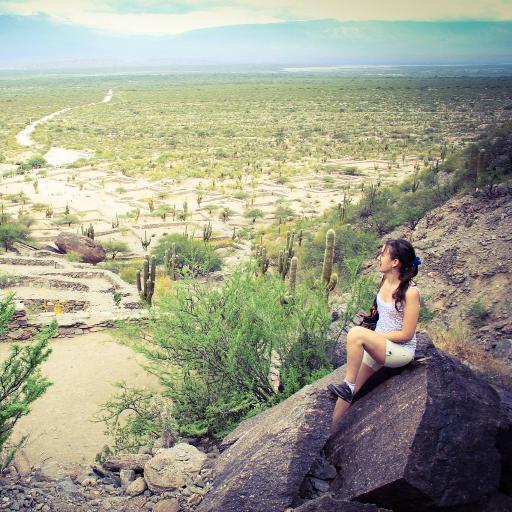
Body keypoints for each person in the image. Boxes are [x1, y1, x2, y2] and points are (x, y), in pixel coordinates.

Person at [327, 238, 421, 433]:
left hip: (399, 351)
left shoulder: (410, 292)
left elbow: (407, 333)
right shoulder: (385, 281)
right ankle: (327, 434)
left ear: (395, 262)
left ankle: (348, 385)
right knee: (348, 395)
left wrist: (376, 337)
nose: (379, 258)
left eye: (383, 254)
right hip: (379, 346)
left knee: (355, 334)